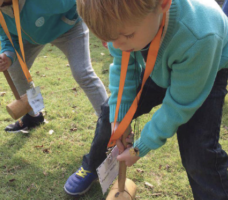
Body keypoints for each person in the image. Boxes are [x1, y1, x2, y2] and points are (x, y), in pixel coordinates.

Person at [64, 0, 228, 199]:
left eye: (126, 35)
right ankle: (92, 167)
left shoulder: (200, 35)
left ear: (164, 4)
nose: (117, 46)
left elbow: (178, 106)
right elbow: (124, 68)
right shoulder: (124, 26)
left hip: (203, 68)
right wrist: (119, 119)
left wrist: (139, 148)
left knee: (198, 154)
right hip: (156, 60)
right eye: (109, 39)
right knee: (111, 112)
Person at [0, 0, 108, 133]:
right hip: (32, 37)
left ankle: (111, 125)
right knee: (15, 67)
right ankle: (34, 115)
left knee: (82, 73)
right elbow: (8, 36)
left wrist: (89, 23)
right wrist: (7, 56)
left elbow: (81, 3)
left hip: (68, 29)